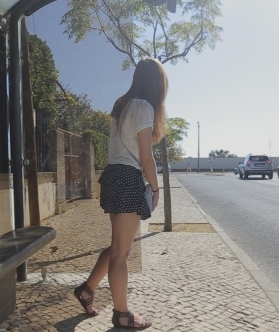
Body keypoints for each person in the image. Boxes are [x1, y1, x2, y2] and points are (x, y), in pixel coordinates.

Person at [73, 58, 167, 329]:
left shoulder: (122, 105)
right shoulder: (144, 106)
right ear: (157, 84)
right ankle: (122, 315)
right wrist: (156, 188)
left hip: (113, 175)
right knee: (121, 254)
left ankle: (86, 290)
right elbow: (146, 157)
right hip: (127, 177)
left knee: (117, 248)